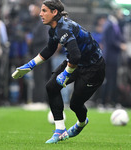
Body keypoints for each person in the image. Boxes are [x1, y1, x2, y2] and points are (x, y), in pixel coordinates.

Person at [12, 0, 105, 144]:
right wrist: (28, 66)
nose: (40, 14)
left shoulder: (64, 28)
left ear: (54, 12)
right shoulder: (54, 29)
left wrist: (66, 73)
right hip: (76, 63)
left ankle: (81, 123)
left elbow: (76, 56)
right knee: (51, 87)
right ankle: (60, 130)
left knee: (75, 104)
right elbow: (50, 49)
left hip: (93, 68)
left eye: (44, 11)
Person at [101, 8, 127, 109]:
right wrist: (121, 46)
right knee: (109, 80)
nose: (122, 15)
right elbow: (111, 41)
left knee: (112, 80)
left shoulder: (114, 24)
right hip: (110, 57)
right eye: (120, 13)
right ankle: (104, 102)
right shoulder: (110, 24)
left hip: (113, 57)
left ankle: (112, 101)